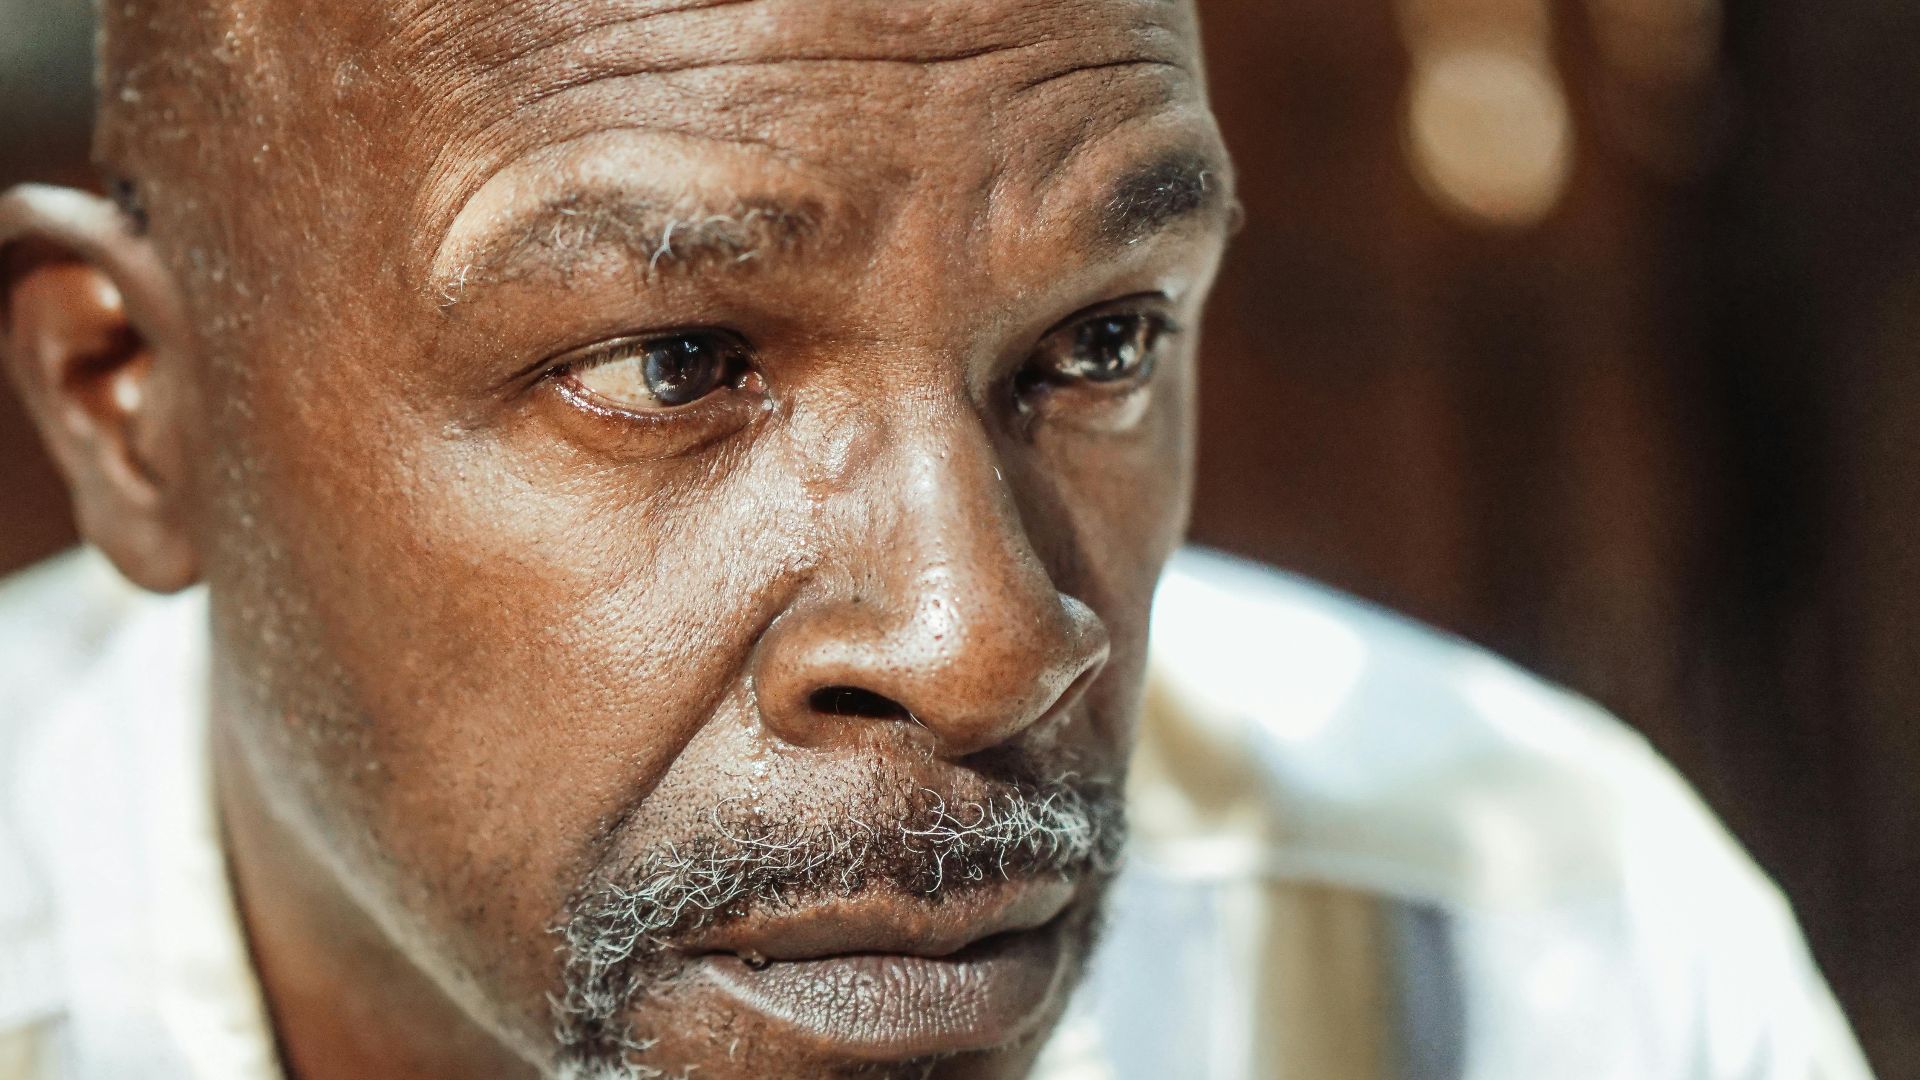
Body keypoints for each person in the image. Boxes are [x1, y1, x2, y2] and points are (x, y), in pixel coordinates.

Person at [0, 2, 1872, 1078]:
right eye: (671, 366)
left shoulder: (1529, 959)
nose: (989, 641)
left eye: (1103, 339)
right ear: (136, 407)